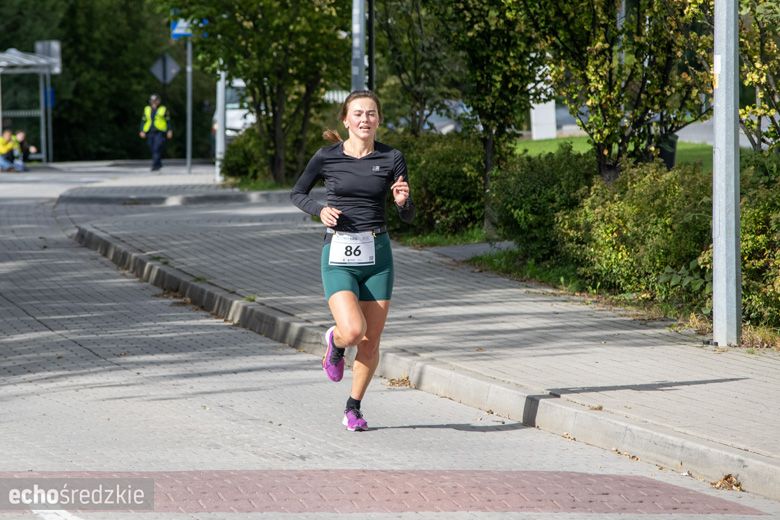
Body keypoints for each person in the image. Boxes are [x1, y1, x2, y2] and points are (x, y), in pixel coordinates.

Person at [290, 90, 415, 432]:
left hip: (378, 254)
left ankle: (353, 407)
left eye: (371, 114)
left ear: (379, 120)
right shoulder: (327, 157)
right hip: (339, 251)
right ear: (345, 120)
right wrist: (320, 210)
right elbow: (297, 193)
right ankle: (335, 341)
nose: (364, 119)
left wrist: (403, 203)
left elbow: (407, 216)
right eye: (358, 113)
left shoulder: (392, 158)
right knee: (354, 331)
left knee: (371, 342)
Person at [139, 94, 173, 171]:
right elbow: (143, 121)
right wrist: (142, 130)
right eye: (152, 101)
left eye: (155, 100)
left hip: (159, 132)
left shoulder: (163, 109)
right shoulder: (147, 109)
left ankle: (155, 165)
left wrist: (169, 131)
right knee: (151, 147)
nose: (154, 102)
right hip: (149, 132)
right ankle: (159, 163)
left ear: (158, 101)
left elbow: (168, 121)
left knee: (156, 148)